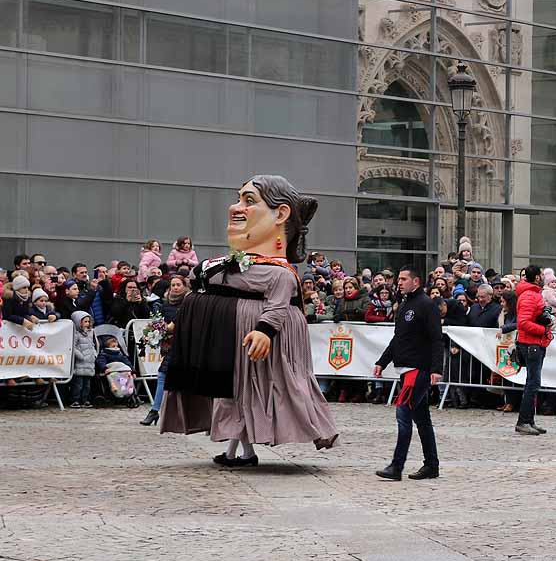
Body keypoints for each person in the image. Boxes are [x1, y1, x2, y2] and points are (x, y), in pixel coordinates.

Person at [159, 175, 338, 467]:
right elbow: (199, 278)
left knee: (251, 392)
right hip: (229, 340)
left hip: (252, 343)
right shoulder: (224, 264)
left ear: (281, 214)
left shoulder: (281, 272)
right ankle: (241, 452)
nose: (236, 207)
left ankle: (249, 449)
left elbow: (278, 304)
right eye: (238, 198)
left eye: (249, 200)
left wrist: (264, 331)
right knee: (235, 394)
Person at [373, 266, 443, 481]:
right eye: (399, 279)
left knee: (403, 414)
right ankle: (431, 465)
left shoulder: (426, 305)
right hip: (405, 368)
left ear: (416, 281)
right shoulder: (404, 305)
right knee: (422, 420)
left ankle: (397, 466)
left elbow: (436, 338)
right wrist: (382, 362)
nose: (399, 282)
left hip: (417, 369)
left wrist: (436, 369)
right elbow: (398, 339)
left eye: (404, 279)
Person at [141, 275, 188, 426]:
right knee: (162, 376)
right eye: (173, 285)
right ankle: (155, 411)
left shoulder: (189, 303)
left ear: (185, 286)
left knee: (181, 379)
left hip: (186, 345)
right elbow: (159, 323)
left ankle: (182, 414)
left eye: (178, 284)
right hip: (171, 346)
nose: (175, 287)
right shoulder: (165, 305)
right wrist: (156, 332)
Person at [515, 264, 551, 435]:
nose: (544, 277)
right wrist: (543, 329)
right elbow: (523, 322)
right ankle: (523, 421)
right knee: (532, 383)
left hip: (535, 343)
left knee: (533, 383)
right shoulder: (530, 296)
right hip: (531, 344)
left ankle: (529, 420)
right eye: (542, 274)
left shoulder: (533, 294)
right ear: (536, 277)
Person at [68, 311, 97, 408]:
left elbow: (93, 344)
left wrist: (94, 354)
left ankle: (85, 399)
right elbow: (73, 346)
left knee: (87, 385)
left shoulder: (91, 332)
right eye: (85, 322)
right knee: (78, 384)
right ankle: (75, 399)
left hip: (89, 362)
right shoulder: (76, 334)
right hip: (80, 362)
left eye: (88, 321)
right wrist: (80, 355)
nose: (87, 324)